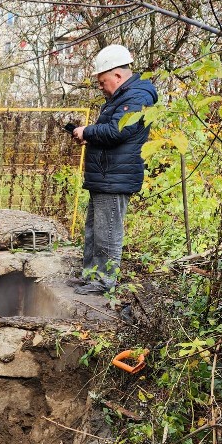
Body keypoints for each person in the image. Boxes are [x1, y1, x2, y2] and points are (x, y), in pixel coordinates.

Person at [70, 44, 158, 295]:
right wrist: (92, 137)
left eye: (102, 81)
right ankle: (90, 276)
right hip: (106, 175)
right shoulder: (121, 98)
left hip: (115, 177)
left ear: (118, 76)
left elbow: (118, 131)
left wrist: (87, 131)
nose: (100, 86)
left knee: (107, 231)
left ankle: (104, 282)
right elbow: (111, 132)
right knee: (94, 230)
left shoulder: (137, 97)